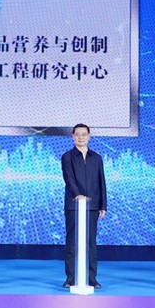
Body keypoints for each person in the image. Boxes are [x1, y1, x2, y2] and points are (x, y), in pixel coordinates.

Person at [61, 123, 107, 289]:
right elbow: (69, 178)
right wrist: (77, 195)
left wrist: (103, 205)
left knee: (91, 243)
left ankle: (91, 278)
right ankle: (71, 278)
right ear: (73, 137)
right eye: (77, 134)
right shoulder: (67, 157)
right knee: (72, 242)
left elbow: (101, 181)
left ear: (89, 136)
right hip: (74, 205)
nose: (80, 137)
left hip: (92, 206)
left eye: (84, 134)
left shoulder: (96, 157)